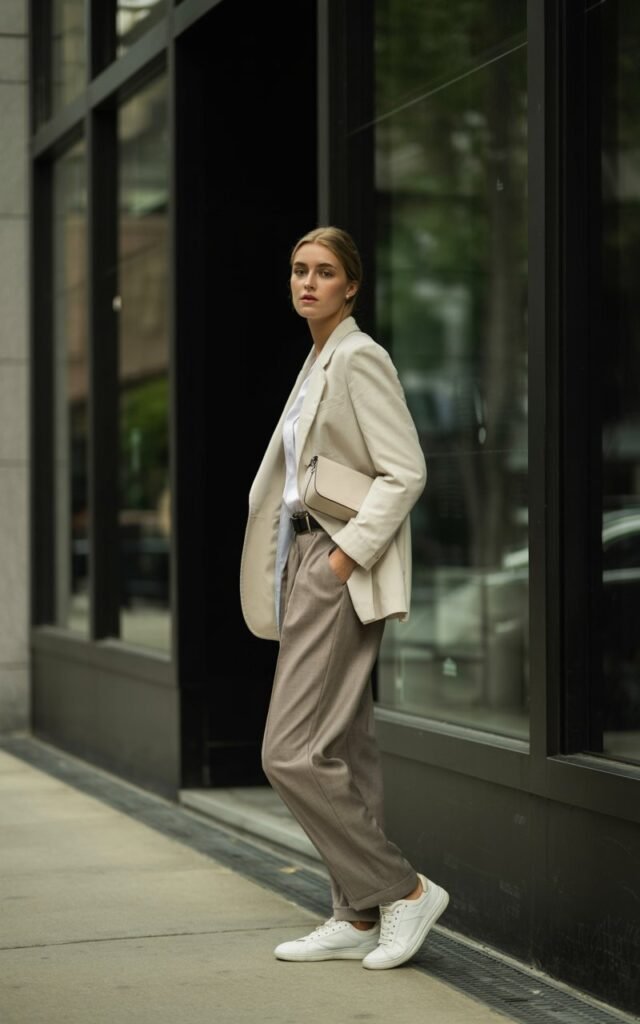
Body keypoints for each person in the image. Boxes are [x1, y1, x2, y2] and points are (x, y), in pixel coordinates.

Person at [239, 226, 449, 970]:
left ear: (351, 286)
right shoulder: (314, 361)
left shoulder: (360, 358)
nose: (308, 282)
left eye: (324, 272)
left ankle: (403, 889)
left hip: (336, 563)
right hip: (304, 559)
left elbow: (406, 471)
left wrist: (341, 560)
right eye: (298, 269)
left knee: (287, 751)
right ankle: (355, 915)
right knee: (344, 746)